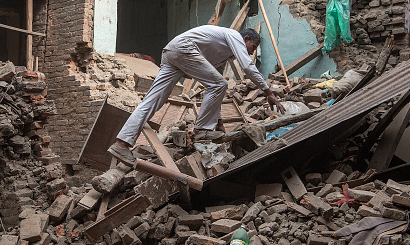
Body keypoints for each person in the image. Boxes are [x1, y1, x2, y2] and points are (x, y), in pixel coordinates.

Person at [107, 25, 286, 166]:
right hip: (184, 49)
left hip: (172, 51)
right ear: (246, 38)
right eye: (252, 47)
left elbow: (214, 87)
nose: (251, 52)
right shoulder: (234, 36)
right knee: (219, 84)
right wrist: (268, 92)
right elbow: (247, 67)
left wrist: (218, 120)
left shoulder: (222, 54)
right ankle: (201, 131)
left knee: (152, 100)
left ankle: (121, 144)